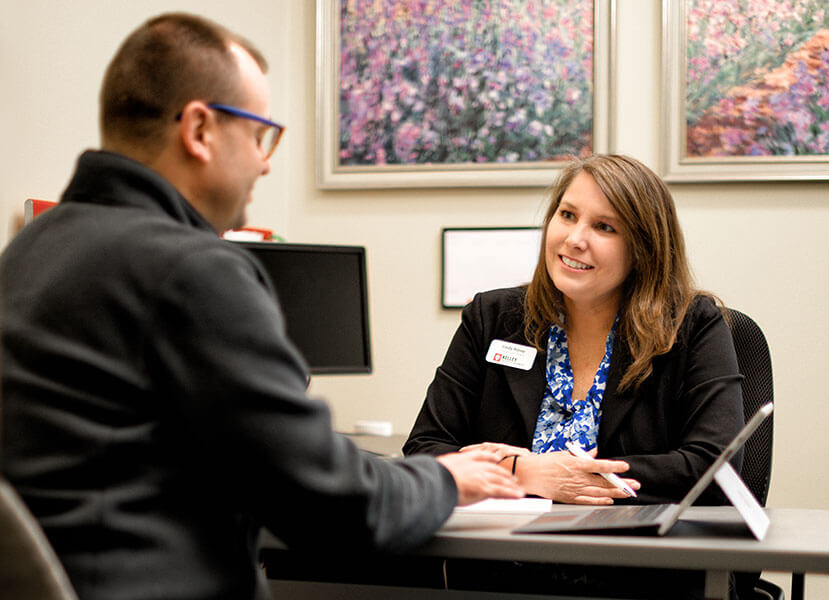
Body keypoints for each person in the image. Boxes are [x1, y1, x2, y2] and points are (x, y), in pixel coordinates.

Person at [0, 13, 522, 600]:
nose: (266, 162)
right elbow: (334, 507)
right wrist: (445, 479)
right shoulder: (188, 269)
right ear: (199, 129)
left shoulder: (29, 251)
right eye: (259, 134)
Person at [404, 154, 745, 598]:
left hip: (643, 577)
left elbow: (715, 468)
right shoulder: (492, 318)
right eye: (567, 215)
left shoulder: (692, 326)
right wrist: (523, 472)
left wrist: (575, 478)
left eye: (605, 227)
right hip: (500, 577)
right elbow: (426, 452)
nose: (575, 238)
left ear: (644, 248)